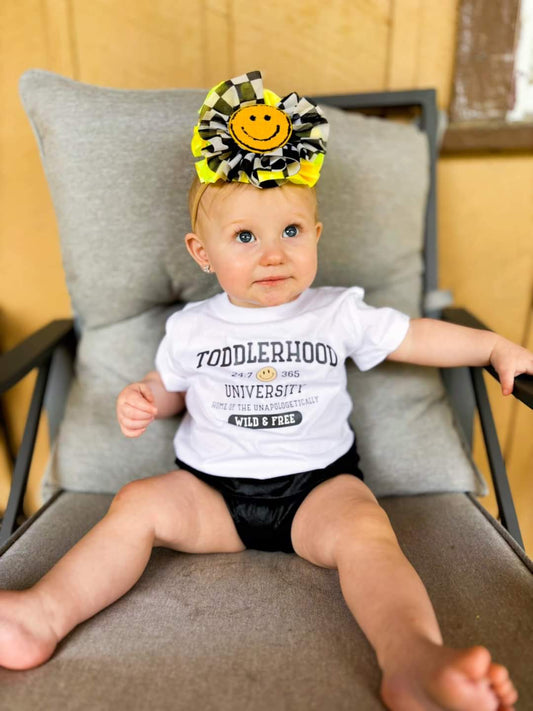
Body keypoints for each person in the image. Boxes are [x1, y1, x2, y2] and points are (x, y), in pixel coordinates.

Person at [0, 70, 529, 711]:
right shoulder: (193, 327)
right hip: (211, 494)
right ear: (203, 252)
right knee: (136, 504)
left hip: (317, 489)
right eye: (245, 237)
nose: (273, 254)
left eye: (291, 232)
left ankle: (411, 658)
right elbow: (172, 388)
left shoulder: (336, 312)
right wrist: (146, 397)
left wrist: (492, 347)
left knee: (367, 533)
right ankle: (41, 616)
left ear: (317, 236)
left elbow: (416, 337)